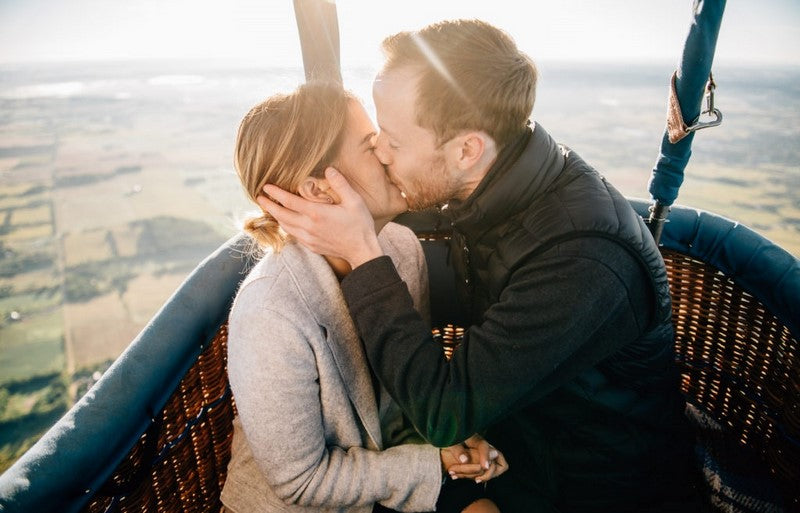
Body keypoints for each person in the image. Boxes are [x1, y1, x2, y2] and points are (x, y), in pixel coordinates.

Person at [258, 19, 703, 513]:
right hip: (513, 448)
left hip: (593, 487)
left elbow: (444, 414)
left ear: (467, 149)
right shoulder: (499, 183)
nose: (380, 153)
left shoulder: (582, 260)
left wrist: (365, 255)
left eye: (392, 140)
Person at [220, 81, 507, 513]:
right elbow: (300, 480)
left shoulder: (401, 248)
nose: (390, 154)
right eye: (371, 146)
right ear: (318, 189)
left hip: (387, 471)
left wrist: (455, 436)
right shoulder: (269, 312)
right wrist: (429, 464)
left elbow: (406, 383)